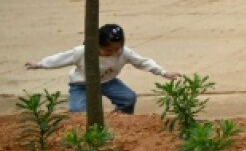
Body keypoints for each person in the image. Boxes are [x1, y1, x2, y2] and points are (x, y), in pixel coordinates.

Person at [24, 23, 182, 114]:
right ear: (96, 44)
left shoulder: (124, 52)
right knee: (78, 112)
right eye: (108, 50)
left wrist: (164, 73)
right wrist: (40, 64)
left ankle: (121, 119)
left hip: (108, 82)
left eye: (117, 49)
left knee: (128, 98)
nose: (113, 53)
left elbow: (143, 62)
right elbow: (61, 58)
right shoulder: (83, 52)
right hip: (82, 85)